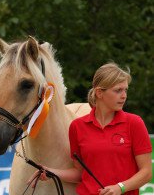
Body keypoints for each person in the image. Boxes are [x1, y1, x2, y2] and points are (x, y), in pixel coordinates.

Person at [28, 62, 152, 195]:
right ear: (99, 93)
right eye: (118, 90)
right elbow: (80, 173)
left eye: (125, 90)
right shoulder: (77, 127)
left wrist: (120, 187)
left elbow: (146, 172)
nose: (124, 96)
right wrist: (51, 172)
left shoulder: (134, 123)